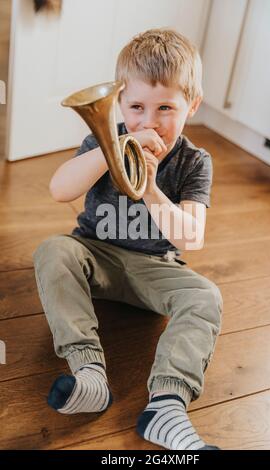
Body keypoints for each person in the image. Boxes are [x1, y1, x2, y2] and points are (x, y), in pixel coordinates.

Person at [32, 28, 223, 451]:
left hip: (155, 268)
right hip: (95, 254)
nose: (149, 122)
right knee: (52, 250)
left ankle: (166, 405)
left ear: (192, 106)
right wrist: (111, 150)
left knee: (206, 296)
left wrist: (152, 188)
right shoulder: (102, 142)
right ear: (119, 103)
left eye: (166, 108)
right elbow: (60, 190)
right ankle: (90, 375)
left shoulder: (195, 161)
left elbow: (190, 239)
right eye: (136, 106)